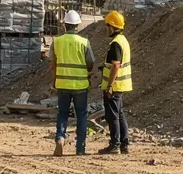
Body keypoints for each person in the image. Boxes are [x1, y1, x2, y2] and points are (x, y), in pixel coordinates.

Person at [52, 9, 92, 157]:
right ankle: (80, 148)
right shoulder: (84, 42)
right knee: (81, 115)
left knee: (62, 113)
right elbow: (90, 63)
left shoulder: (57, 42)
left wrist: (54, 81)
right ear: (78, 25)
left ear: (65, 25)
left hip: (62, 84)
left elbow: (53, 64)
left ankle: (60, 137)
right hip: (81, 85)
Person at [96, 10, 132, 155]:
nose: (106, 29)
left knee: (112, 116)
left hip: (114, 86)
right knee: (119, 114)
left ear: (112, 26)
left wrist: (110, 86)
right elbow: (116, 64)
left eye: (107, 26)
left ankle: (115, 144)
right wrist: (104, 66)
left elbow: (116, 64)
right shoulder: (123, 40)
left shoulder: (115, 44)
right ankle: (124, 144)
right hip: (121, 85)